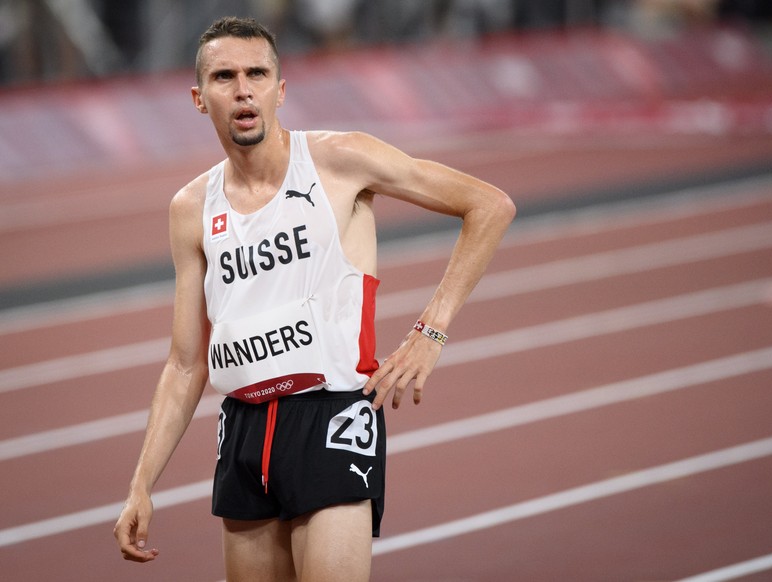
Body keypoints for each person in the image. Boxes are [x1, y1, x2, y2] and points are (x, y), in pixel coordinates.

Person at [113, 16, 514, 582]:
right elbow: (184, 363)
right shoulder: (191, 208)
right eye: (225, 77)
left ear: (281, 90)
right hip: (244, 430)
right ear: (200, 99)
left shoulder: (339, 160)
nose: (243, 89)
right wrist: (141, 486)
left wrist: (431, 333)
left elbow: (489, 206)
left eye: (257, 73)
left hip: (331, 416)